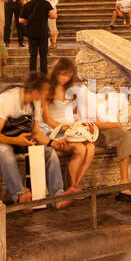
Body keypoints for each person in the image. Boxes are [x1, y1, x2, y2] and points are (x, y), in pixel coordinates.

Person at [0, 71, 67, 206]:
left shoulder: (35, 103)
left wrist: (53, 143)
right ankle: (19, 195)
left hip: (20, 139)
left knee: (49, 152)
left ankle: (57, 196)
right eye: (45, 91)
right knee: (5, 152)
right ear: (35, 91)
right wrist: (17, 141)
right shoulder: (8, 99)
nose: (47, 95)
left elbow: (36, 133)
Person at [40, 58, 99, 192]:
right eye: (62, 74)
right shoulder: (47, 89)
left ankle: (75, 185)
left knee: (90, 148)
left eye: (68, 75)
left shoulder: (71, 89)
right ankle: (72, 186)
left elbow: (76, 112)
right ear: (55, 72)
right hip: (56, 130)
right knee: (81, 150)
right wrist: (62, 126)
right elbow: (46, 119)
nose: (64, 78)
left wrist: (79, 125)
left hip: (73, 129)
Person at [19, 0, 53, 74]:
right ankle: (43, 75)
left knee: (33, 56)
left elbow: (20, 20)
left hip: (32, 34)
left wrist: (28, 20)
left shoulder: (27, 5)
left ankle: (32, 75)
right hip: (43, 33)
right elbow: (53, 15)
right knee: (43, 56)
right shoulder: (45, 3)